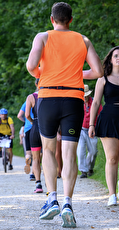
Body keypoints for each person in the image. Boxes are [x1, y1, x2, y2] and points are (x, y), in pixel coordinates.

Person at [26, 2, 103, 228]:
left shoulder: (42, 37)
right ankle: (68, 203)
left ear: (52, 19)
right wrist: (77, 73)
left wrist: (43, 73)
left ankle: (52, 199)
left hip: (48, 99)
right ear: (71, 20)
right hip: (74, 100)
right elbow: (98, 71)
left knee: (48, 150)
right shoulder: (83, 40)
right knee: (69, 153)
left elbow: (31, 66)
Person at [89, 46, 119, 206]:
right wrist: (92, 124)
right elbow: (95, 103)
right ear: (111, 59)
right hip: (109, 119)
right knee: (112, 158)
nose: (118, 58)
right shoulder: (103, 78)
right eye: (116, 55)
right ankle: (112, 195)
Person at [77, 84, 102, 178]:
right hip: (81, 130)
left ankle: (90, 167)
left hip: (92, 130)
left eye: (86, 95)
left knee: (93, 152)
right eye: (83, 95)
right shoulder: (78, 102)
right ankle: (83, 171)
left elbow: (100, 115)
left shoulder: (94, 102)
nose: (85, 97)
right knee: (80, 151)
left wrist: (99, 128)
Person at [25, 79, 43, 193]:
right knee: (47, 156)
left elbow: (26, 114)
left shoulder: (31, 97)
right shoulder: (49, 95)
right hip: (47, 128)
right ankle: (50, 184)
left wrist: (32, 122)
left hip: (35, 127)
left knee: (35, 158)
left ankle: (38, 184)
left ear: (35, 84)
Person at [17, 102, 35, 180]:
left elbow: (19, 115)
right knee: (36, 155)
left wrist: (26, 121)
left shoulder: (27, 101)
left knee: (28, 153)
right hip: (37, 128)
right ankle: (32, 174)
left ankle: (27, 162)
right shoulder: (41, 99)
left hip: (27, 129)